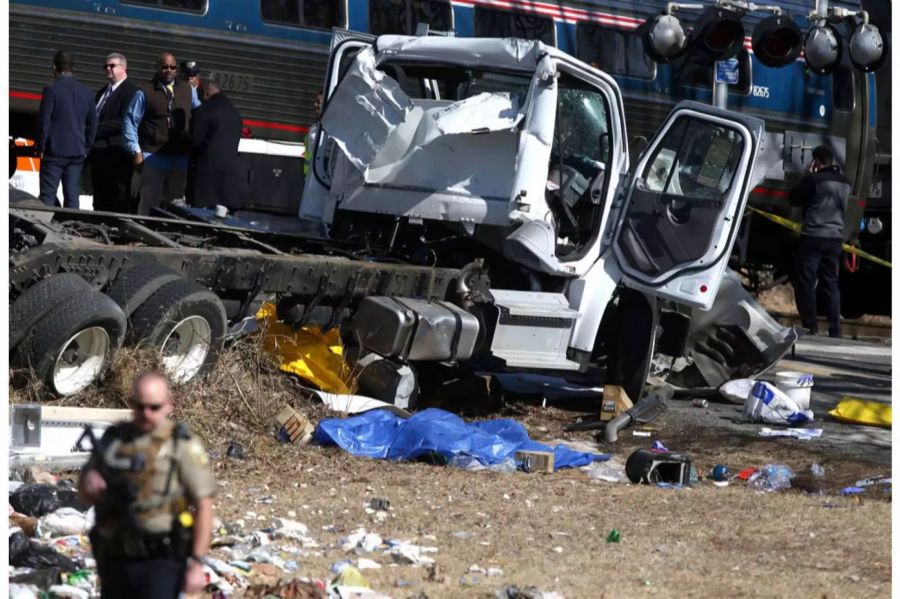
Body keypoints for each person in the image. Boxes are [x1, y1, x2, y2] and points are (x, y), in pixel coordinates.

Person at [78, 371, 215, 599]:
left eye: (154, 407)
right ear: (131, 404)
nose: (146, 414)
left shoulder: (180, 444)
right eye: (140, 406)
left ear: (168, 405)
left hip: (160, 559)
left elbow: (204, 504)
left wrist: (198, 563)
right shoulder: (114, 440)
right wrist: (89, 482)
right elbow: (82, 493)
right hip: (115, 557)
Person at [789, 145, 851, 338]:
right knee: (830, 283)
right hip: (835, 239)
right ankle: (835, 329)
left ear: (816, 162)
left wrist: (806, 176)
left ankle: (811, 326)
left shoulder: (814, 180)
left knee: (806, 282)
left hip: (813, 237)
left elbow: (794, 199)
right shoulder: (845, 182)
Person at [123, 52, 193, 215]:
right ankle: (143, 235)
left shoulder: (188, 90)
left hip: (179, 156)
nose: (169, 70)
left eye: (172, 67)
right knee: (149, 201)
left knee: (176, 206)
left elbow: (198, 113)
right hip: (152, 155)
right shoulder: (145, 91)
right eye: (165, 67)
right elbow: (130, 122)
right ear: (157, 68)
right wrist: (136, 151)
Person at [36, 50, 97, 208]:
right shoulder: (87, 92)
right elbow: (93, 124)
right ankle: (71, 230)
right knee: (72, 196)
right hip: (77, 153)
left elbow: (44, 122)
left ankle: (44, 230)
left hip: (54, 153)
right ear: (73, 68)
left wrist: (41, 147)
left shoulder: (51, 90)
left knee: (48, 196)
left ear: (54, 67)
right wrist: (86, 148)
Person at [90, 52, 139, 213]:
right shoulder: (103, 91)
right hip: (99, 152)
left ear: (123, 68)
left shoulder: (131, 91)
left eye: (112, 65)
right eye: (106, 66)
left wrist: (93, 129)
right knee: (99, 194)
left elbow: (123, 121)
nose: (108, 69)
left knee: (117, 195)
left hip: (116, 152)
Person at [187, 80, 243, 210]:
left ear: (205, 93)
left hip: (205, 181)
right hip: (229, 181)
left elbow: (195, 140)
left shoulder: (205, 110)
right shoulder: (235, 113)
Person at [303, 91, 323, 178]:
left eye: (318, 102)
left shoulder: (329, 130)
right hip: (309, 177)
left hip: (317, 179)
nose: (315, 104)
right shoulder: (314, 128)